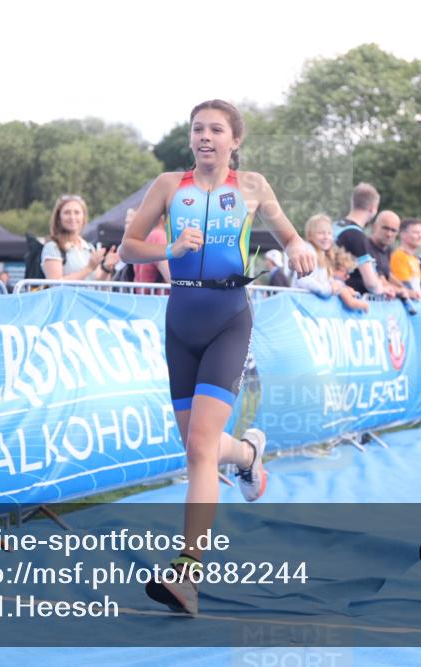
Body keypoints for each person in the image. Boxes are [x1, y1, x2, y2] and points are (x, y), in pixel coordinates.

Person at [118, 99, 315, 615]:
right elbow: (128, 248)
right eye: (197, 129)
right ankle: (249, 456)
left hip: (229, 317)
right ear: (190, 140)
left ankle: (188, 573)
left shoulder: (252, 186)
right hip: (181, 323)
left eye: (216, 129)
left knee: (202, 447)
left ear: (234, 141)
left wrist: (298, 248)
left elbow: (291, 235)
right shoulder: (166, 185)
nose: (205, 136)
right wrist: (170, 250)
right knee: (196, 448)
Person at [294, 213, 369, 311]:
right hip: (301, 306)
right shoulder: (309, 252)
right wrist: (330, 289)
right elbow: (304, 281)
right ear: (310, 235)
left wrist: (342, 287)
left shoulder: (321, 254)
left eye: (329, 233)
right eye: (321, 233)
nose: (326, 237)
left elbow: (326, 280)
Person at [332, 183, 396, 298]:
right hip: (343, 300)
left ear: (352, 203)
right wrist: (383, 290)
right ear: (373, 208)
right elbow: (371, 283)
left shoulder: (334, 226)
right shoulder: (356, 235)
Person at [40, 194, 116, 282]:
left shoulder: (89, 248)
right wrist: (89, 268)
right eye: (67, 212)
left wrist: (106, 268)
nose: (72, 217)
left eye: (77, 212)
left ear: (84, 217)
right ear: (58, 218)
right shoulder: (52, 247)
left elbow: (99, 286)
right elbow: (56, 284)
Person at [133, 216, 171, 293]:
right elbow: (171, 278)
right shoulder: (159, 236)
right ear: (163, 217)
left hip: (143, 298)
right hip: (159, 300)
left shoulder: (143, 238)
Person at [390, 218, 421, 299]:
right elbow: (404, 286)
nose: (420, 236)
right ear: (403, 235)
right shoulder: (399, 256)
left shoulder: (414, 259)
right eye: (416, 232)